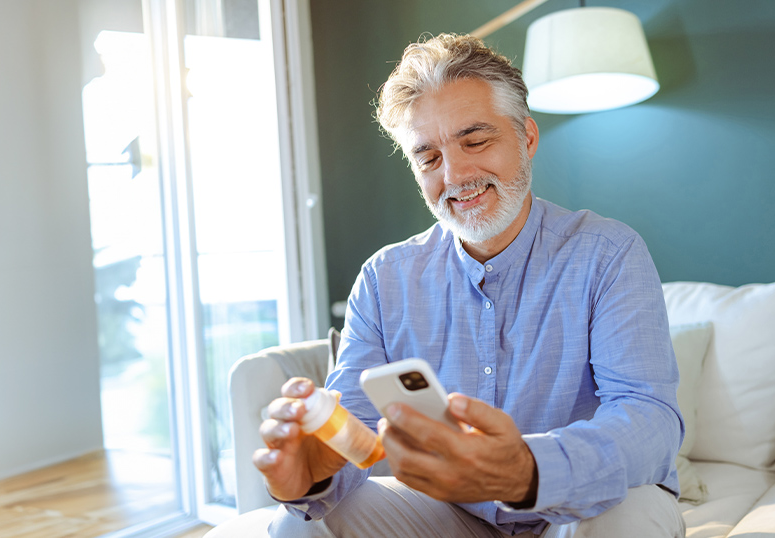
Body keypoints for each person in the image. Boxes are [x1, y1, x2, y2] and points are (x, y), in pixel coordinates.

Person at [254, 34, 686, 537]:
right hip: (454, 513)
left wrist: (527, 468)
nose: (456, 173)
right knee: (303, 528)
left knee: (627, 518)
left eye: (475, 141)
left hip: (582, 506)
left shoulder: (609, 253)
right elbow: (356, 430)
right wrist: (309, 479)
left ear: (526, 137)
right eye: (428, 158)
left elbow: (649, 419)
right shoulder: (384, 277)